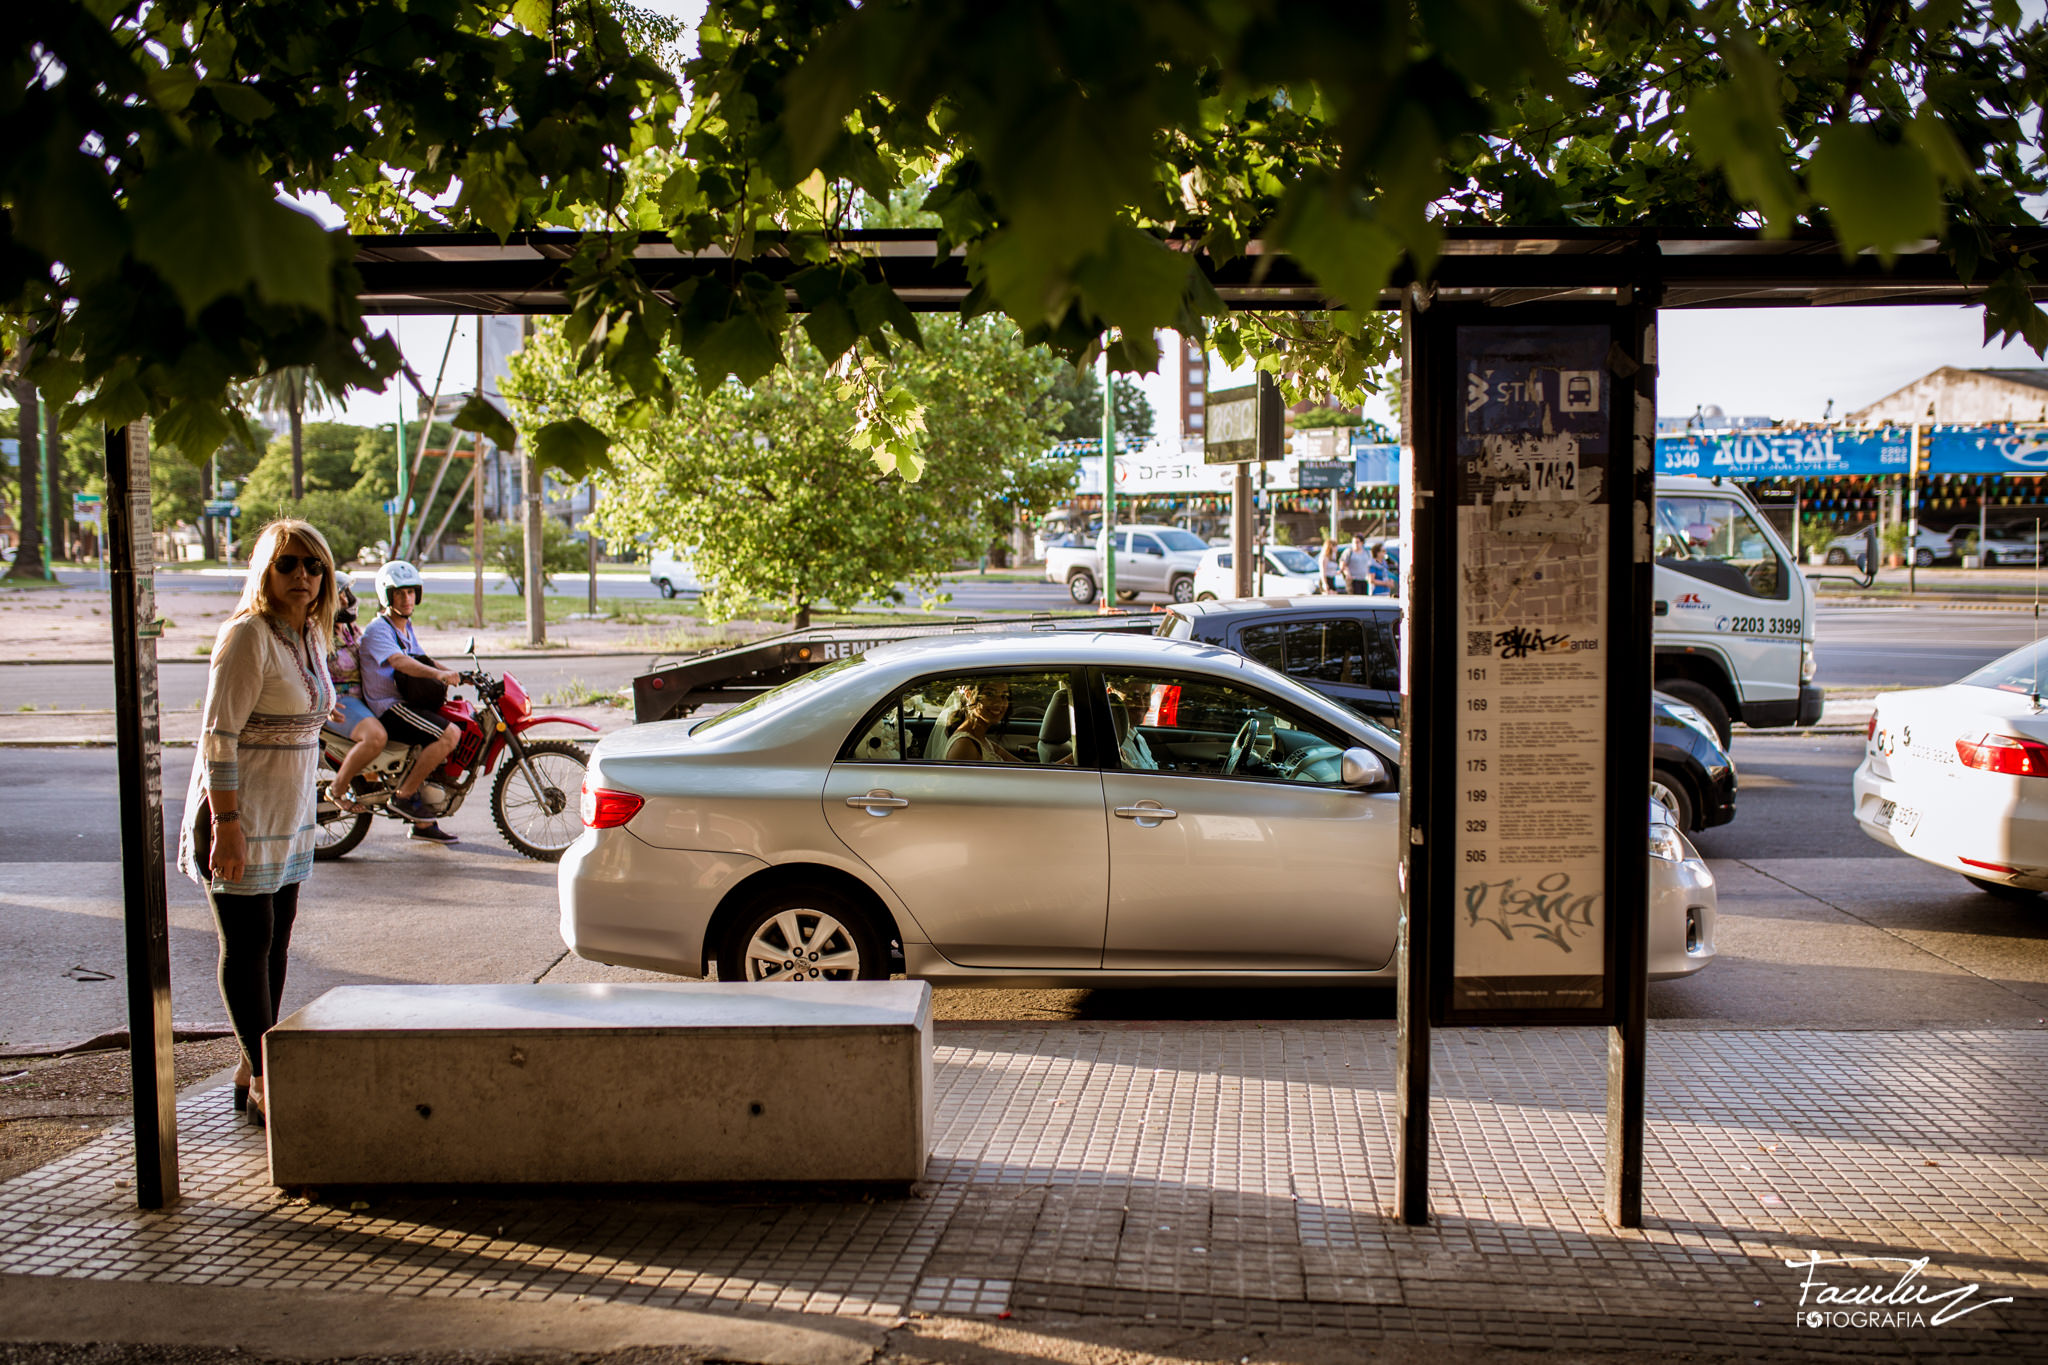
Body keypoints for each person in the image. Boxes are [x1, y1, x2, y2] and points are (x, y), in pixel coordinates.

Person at [175, 519, 339, 1128]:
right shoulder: (247, 635)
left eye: (313, 565)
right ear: (265, 572)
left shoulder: (309, 637)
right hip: (238, 816)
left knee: (276, 938)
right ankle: (266, 1077)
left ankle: (253, 1061)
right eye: (288, 564)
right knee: (246, 943)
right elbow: (218, 738)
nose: (302, 575)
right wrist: (227, 823)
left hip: (288, 817)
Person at [359, 560, 464, 844]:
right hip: (388, 707)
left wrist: (461, 674)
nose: (406, 599)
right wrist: (441, 675)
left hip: (405, 701)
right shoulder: (379, 630)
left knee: (458, 721)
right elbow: (401, 662)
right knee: (449, 734)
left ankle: (424, 824)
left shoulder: (405, 626)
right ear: (386, 595)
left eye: (411, 592)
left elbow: (422, 658)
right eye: (399, 593)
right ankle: (404, 796)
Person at [323, 581, 387, 814]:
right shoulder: (319, 634)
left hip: (365, 698)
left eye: (345, 594)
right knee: (375, 737)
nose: (345, 600)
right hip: (340, 702)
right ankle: (336, 790)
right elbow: (311, 670)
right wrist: (327, 701)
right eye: (338, 596)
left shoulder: (350, 629)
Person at [943, 681, 1020, 763]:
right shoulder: (964, 746)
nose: (999, 702)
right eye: (989, 694)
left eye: (1004, 696)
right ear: (968, 695)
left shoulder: (982, 740)